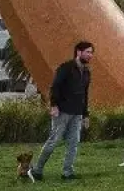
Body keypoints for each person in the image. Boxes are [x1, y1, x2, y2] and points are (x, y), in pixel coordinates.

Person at [30, 41, 94, 181]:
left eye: (91, 52)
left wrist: (85, 114)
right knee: (53, 141)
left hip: (77, 113)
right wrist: (53, 105)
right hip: (62, 111)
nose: (90, 55)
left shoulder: (87, 72)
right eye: (88, 52)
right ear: (78, 52)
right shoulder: (66, 67)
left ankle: (67, 172)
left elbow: (84, 94)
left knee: (73, 143)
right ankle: (37, 170)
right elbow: (55, 87)